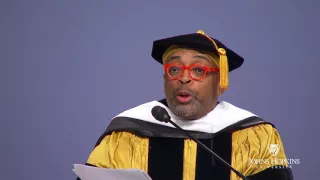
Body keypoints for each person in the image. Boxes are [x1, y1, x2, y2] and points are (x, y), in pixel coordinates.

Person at [77, 30, 294, 180]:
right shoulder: (126, 134)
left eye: (199, 70)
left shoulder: (255, 136)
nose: (184, 78)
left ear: (220, 82)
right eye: (175, 69)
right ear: (165, 78)